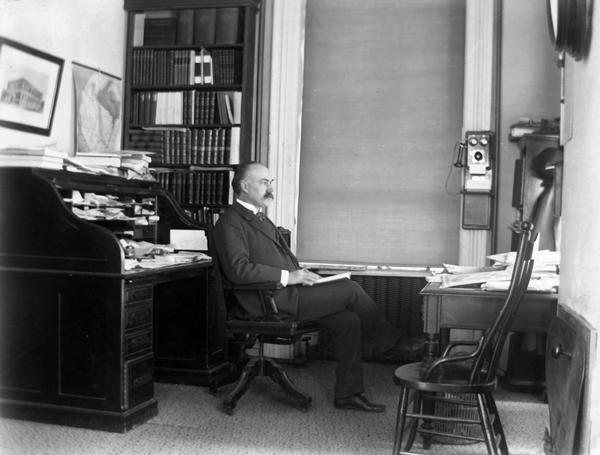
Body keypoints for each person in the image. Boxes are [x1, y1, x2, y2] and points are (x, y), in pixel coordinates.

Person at [213, 162, 423, 413]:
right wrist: (289, 277)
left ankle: (348, 394)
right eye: (263, 182)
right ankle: (390, 344)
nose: (270, 187)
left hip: (285, 293)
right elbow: (239, 269)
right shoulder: (230, 222)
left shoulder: (259, 217)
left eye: (271, 182)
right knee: (351, 289)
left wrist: (304, 275)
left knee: (347, 320)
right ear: (244, 186)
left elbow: (281, 261)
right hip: (266, 301)